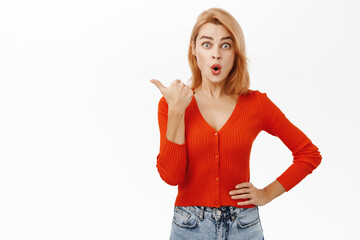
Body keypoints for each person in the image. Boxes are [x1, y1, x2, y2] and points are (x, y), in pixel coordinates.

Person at [150, 8, 322, 240]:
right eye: (207, 44)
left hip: (244, 226)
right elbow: (172, 177)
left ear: (235, 53)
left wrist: (266, 194)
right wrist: (177, 111)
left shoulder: (256, 104)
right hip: (189, 227)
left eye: (226, 45)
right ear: (194, 49)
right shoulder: (172, 103)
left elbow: (308, 154)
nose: (216, 55)